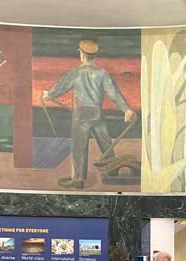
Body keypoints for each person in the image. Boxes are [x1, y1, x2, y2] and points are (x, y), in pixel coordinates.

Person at [42, 39, 135, 190]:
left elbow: (60, 88)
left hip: (81, 115)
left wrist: (48, 94)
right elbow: (113, 93)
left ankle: (78, 179)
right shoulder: (102, 73)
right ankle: (112, 170)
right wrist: (127, 110)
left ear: (82, 54)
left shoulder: (75, 73)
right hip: (97, 113)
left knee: (79, 147)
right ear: (94, 56)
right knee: (106, 143)